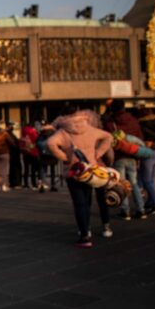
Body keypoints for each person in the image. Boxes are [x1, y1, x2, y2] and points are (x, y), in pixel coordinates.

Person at [47, 105, 114, 248]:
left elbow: (50, 143)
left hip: (74, 171)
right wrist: (98, 153)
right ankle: (96, 227)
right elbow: (108, 137)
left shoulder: (63, 131)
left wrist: (64, 157)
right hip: (91, 169)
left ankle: (85, 234)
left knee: (80, 203)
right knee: (90, 199)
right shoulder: (89, 128)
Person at [105, 99, 146, 220]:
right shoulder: (133, 120)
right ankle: (141, 209)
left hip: (119, 156)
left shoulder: (111, 122)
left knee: (121, 184)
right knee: (133, 183)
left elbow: (108, 139)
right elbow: (139, 137)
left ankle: (125, 210)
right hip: (132, 155)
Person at [136, 105, 155, 215]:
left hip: (147, 153)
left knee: (146, 180)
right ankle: (150, 201)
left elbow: (140, 139)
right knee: (152, 179)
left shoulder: (142, 124)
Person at [20, 123, 40, 190]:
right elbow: (36, 142)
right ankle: (34, 184)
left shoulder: (23, 134)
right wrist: (31, 147)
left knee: (26, 169)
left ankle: (26, 184)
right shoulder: (33, 132)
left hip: (25, 153)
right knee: (33, 170)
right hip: (33, 153)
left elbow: (21, 145)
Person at [7, 122, 23, 189]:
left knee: (13, 168)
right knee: (15, 168)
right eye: (11, 125)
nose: (12, 127)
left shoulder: (10, 134)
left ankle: (13, 183)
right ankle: (15, 183)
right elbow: (13, 144)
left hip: (14, 153)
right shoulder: (8, 134)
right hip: (13, 154)